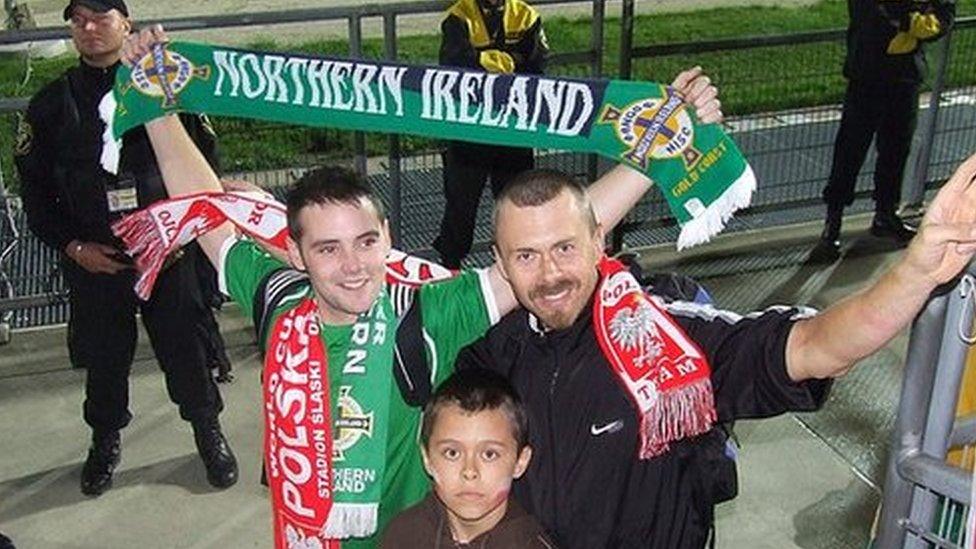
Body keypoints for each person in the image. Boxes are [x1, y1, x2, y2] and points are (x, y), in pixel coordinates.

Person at [125, 22, 720, 548]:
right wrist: (155, 101)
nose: (354, 266)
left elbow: (555, 235)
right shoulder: (275, 297)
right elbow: (203, 206)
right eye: (327, 250)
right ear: (297, 255)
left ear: (387, 236)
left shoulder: (425, 314)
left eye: (365, 242)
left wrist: (655, 147)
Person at [452, 156, 976, 548]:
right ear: (499, 262)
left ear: (599, 242)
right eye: (526, 255)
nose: (549, 275)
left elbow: (815, 348)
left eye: (565, 248)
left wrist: (916, 272)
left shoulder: (673, 339)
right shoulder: (491, 352)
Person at [13, 0, 237, 496]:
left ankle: (208, 433)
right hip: (97, 261)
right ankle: (105, 442)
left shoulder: (164, 88)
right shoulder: (51, 105)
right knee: (104, 358)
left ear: (125, 23)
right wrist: (73, 247)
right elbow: (34, 193)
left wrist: (183, 235)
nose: (89, 28)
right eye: (79, 20)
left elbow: (204, 167)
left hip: (168, 255)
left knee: (188, 350)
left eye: (101, 17)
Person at [812, 0, 955, 261]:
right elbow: (872, 14)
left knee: (896, 150)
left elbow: (943, 18)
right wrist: (914, 16)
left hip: (905, 78)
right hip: (867, 76)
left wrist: (905, 19)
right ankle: (832, 224)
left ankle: (885, 215)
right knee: (849, 151)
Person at [380, 368, 555, 548]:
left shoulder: (531, 544)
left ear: (520, 462)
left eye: (489, 454)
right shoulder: (402, 535)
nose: (469, 471)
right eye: (452, 453)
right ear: (427, 459)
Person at [433, 0, 548, 269]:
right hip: (469, 129)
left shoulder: (526, 16)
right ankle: (450, 267)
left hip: (512, 129)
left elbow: (538, 62)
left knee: (518, 202)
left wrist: (484, 59)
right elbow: (452, 62)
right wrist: (496, 60)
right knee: (461, 204)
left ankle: (517, 265)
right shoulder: (459, 16)